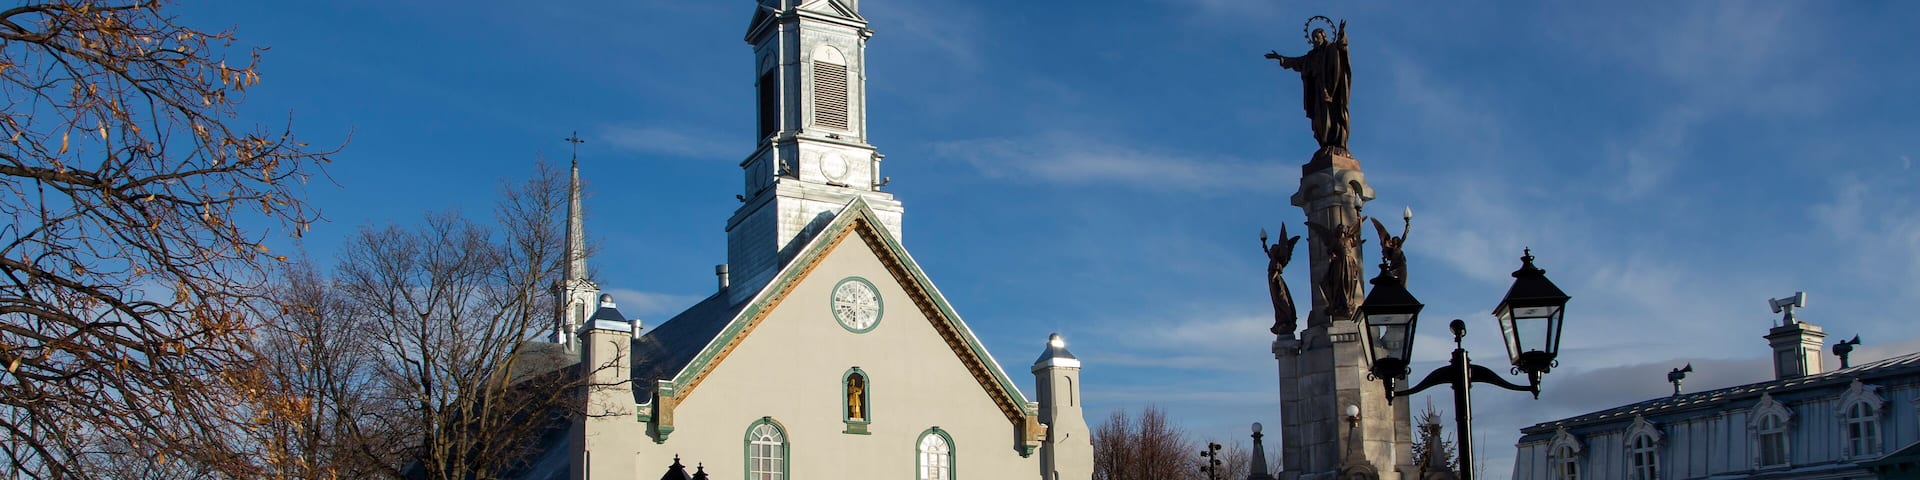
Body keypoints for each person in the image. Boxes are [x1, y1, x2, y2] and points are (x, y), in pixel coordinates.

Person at [1266, 21, 1352, 152]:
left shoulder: (1332, 49)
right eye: (1313, 39)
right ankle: (1325, 144)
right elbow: (1298, 62)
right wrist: (1280, 58)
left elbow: (1342, 46)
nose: (1315, 41)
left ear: (1323, 35)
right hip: (1317, 90)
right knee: (1319, 117)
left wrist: (1341, 33)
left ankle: (1337, 145)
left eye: (1317, 37)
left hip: (1333, 90)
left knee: (1333, 115)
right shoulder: (1311, 56)